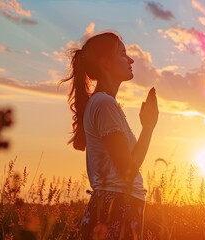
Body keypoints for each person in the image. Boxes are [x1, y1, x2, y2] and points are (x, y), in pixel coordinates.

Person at [60, 32, 158, 239]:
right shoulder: (104, 104)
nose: (130, 59)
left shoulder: (103, 103)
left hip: (116, 205)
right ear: (105, 63)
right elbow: (128, 170)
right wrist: (148, 127)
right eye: (123, 54)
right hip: (116, 208)